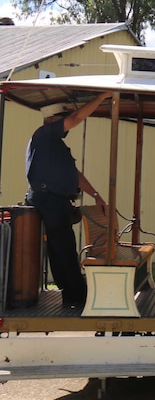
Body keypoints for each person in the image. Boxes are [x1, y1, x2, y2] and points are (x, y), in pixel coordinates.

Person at [25, 92, 111, 310]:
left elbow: (75, 174)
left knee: (61, 247)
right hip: (49, 199)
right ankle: (77, 295)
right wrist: (101, 97)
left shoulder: (55, 146)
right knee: (63, 247)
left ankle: (72, 294)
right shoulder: (44, 134)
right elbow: (76, 119)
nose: (67, 124)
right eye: (62, 119)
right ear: (52, 120)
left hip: (55, 201)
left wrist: (96, 195)